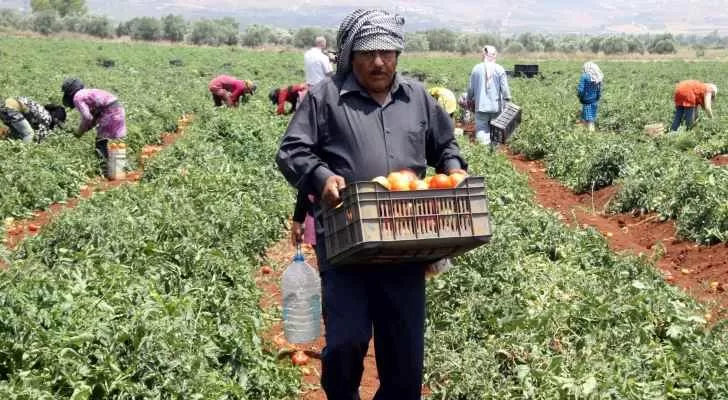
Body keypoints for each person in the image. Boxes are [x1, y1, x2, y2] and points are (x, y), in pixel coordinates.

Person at [276, 9, 467, 400]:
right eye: (367, 53)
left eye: (387, 52)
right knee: (346, 342)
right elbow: (292, 150)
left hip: (405, 243)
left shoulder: (417, 98)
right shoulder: (325, 98)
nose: (378, 62)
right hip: (346, 246)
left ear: (398, 54)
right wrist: (320, 177)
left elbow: (445, 146)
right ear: (350, 54)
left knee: (405, 357)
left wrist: (453, 168)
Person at [61, 78, 126, 175]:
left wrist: (79, 132)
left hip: (110, 114)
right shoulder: (87, 93)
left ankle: (105, 171)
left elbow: (87, 117)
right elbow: (93, 118)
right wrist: (85, 128)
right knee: (116, 142)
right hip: (118, 111)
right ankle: (119, 171)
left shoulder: (77, 98)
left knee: (100, 143)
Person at [467, 45, 512, 145]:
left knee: (482, 130)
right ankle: (494, 154)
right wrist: (507, 101)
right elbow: (505, 90)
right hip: (496, 108)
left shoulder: (476, 69)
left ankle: (484, 154)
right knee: (495, 131)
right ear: (494, 55)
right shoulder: (499, 69)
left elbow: (470, 89)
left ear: (483, 55)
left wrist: (469, 99)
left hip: (481, 107)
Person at [0, 96, 66, 143]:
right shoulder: (47, 117)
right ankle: (24, 155)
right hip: (10, 110)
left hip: (4, 106)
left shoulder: (39, 108)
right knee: (29, 134)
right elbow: (41, 138)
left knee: (16, 134)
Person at [577, 61, 603, 132]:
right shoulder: (598, 77)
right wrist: (597, 98)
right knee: (590, 118)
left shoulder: (584, 76)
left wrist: (580, 97)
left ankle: (590, 135)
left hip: (586, 101)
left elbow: (581, 90)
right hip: (594, 101)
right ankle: (588, 133)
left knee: (588, 119)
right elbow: (599, 91)